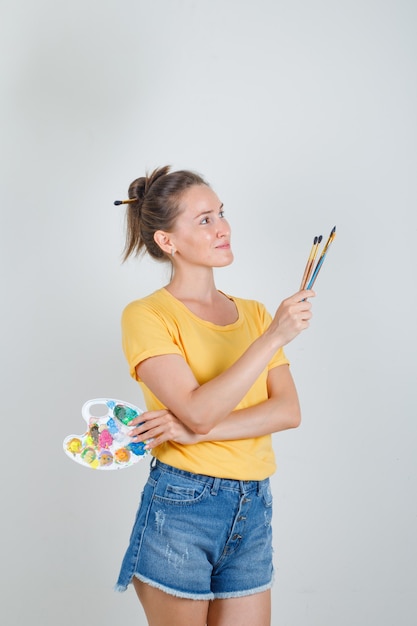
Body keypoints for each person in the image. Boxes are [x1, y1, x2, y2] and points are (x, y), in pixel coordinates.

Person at [114, 166, 314, 626]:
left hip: (254, 506)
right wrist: (273, 339)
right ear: (168, 241)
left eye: (221, 213)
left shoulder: (255, 312)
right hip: (182, 507)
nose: (223, 227)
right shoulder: (147, 316)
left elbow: (288, 411)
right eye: (204, 219)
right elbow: (199, 410)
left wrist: (193, 433)